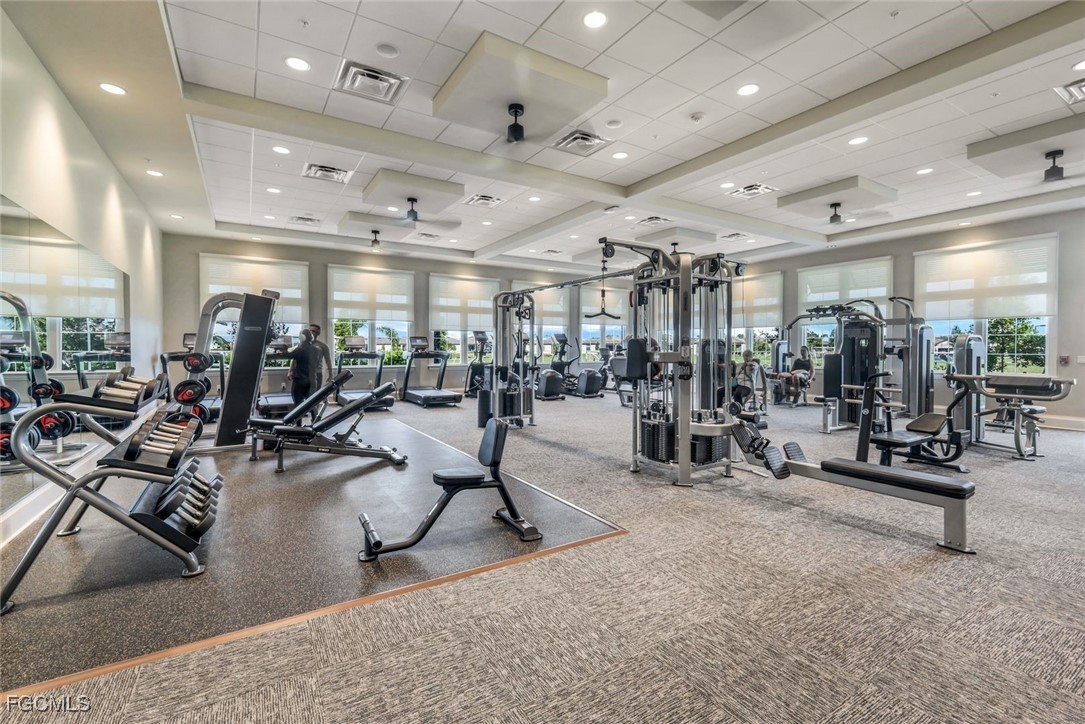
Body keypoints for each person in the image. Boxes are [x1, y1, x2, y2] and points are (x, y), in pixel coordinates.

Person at [286, 329, 315, 408]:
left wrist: (282, 350)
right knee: (311, 403)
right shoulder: (315, 349)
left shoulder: (299, 349)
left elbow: (288, 355)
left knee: (298, 404)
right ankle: (316, 419)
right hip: (311, 379)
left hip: (300, 379)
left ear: (302, 337)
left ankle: (298, 420)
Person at [304, 322, 334, 395]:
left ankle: (315, 406)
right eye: (310, 331)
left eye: (314, 331)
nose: (311, 333)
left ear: (318, 333)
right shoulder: (302, 344)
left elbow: (328, 361)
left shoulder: (323, 346)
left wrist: (330, 374)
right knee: (304, 394)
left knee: (315, 395)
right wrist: (291, 370)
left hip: (317, 373)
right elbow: (295, 357)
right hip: (304, 373)